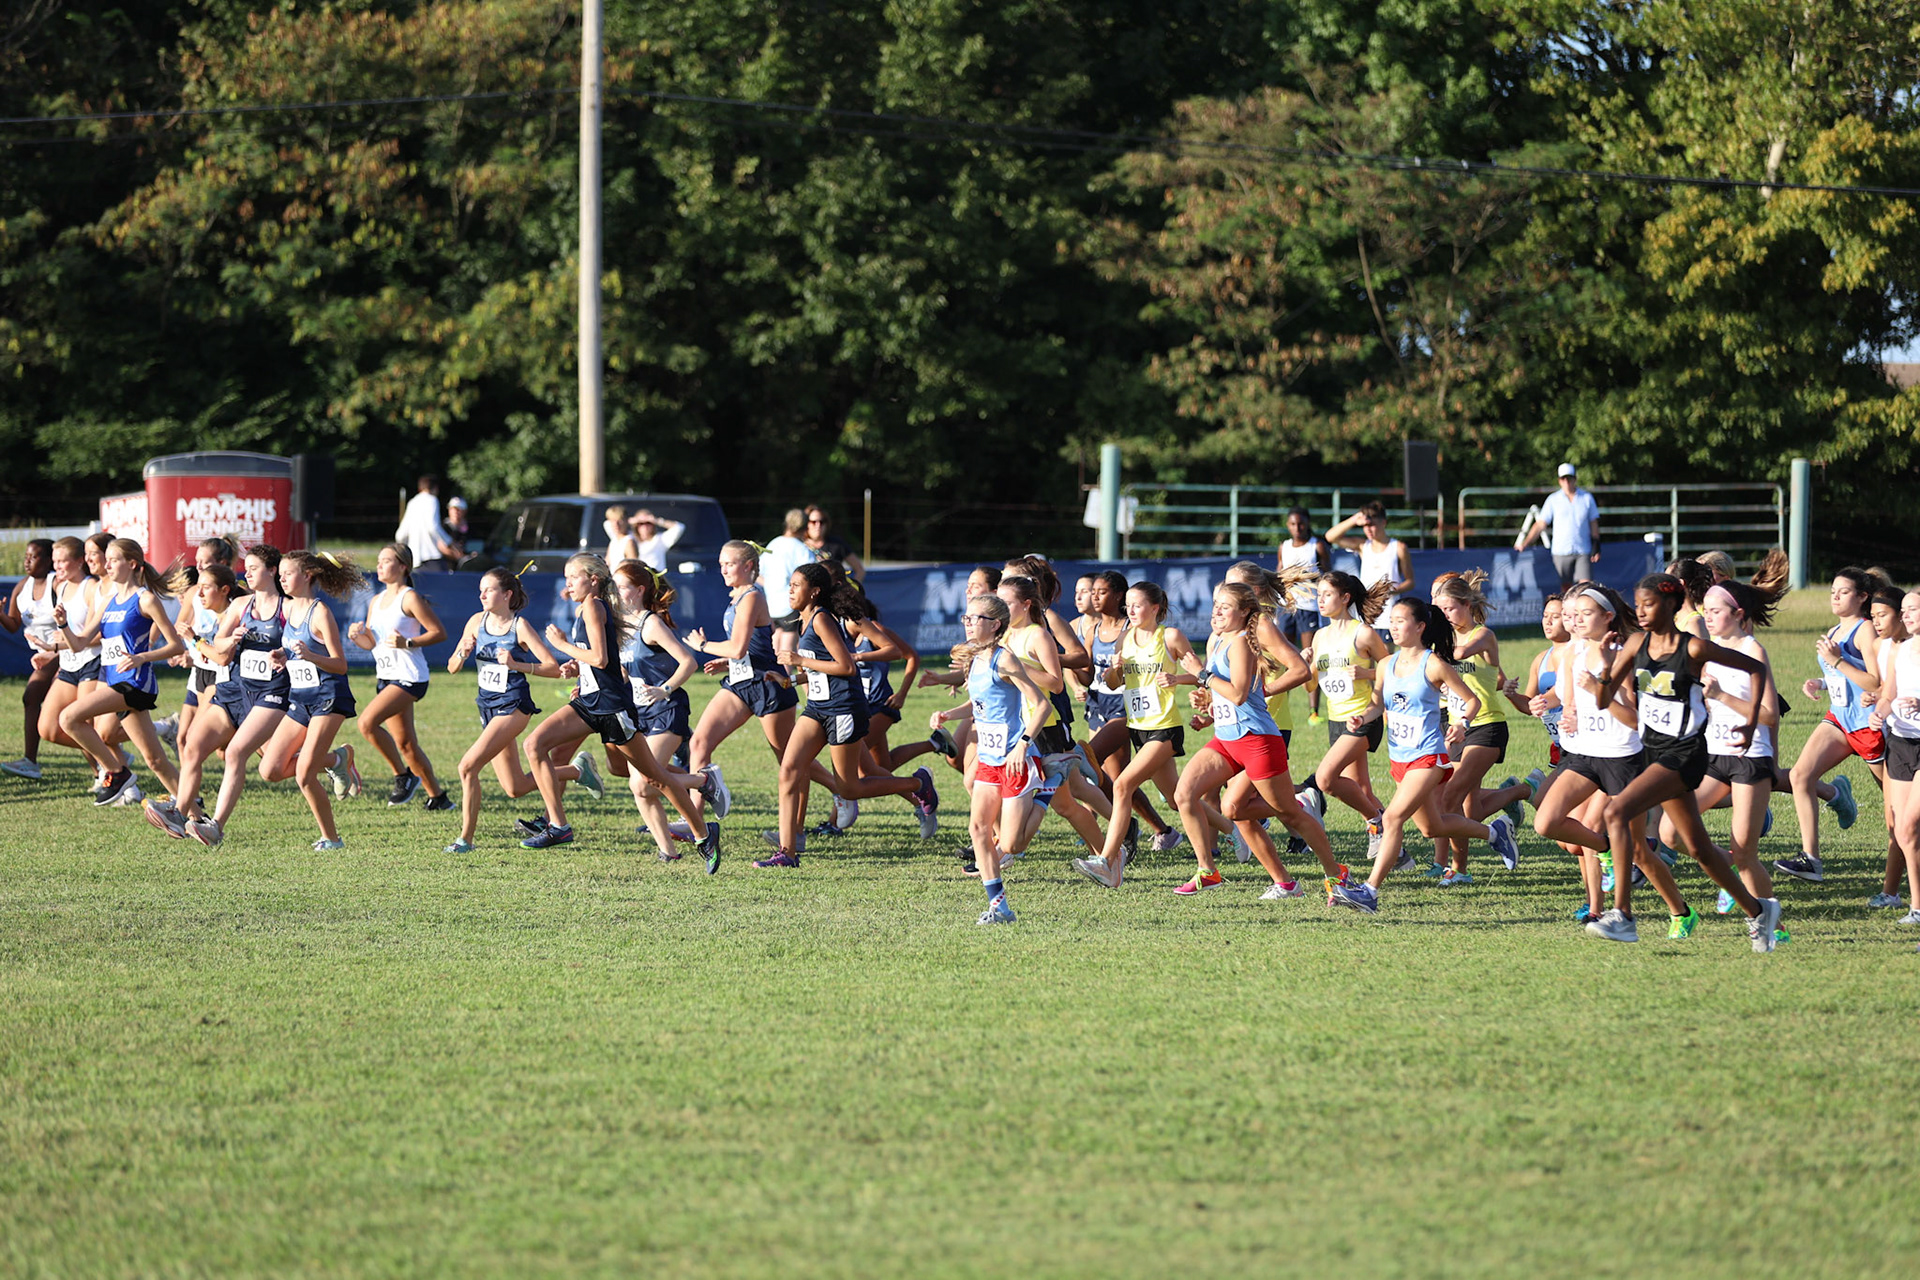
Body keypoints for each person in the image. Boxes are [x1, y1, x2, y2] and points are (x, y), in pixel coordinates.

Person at [1577, 573, 1783, 949]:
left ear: (1671, 605)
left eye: (1649, 604)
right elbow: (1606, 701)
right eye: (1637, 604)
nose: (1640, 611)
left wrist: (1752, 722)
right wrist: (1606, 667)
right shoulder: (1636, 643)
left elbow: (1754, 670)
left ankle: (1622, 915)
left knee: (1615, 813)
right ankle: (1758, 912)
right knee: (1701, 850)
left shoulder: (1692, 649)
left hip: (1685, 755)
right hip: (1652, 752)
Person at [518, 553, 718, 861]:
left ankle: (704, 834)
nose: (568, 583)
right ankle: (559, 826)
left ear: (593, 580)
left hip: (611, 708)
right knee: (534, 745)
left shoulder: (595, 606)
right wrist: (578, 669)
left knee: (653, 778)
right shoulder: (590, 607)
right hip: (589, 701)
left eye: (574, 577)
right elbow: (602, 662)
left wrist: (562, 647)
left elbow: (600, 659)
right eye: (567, 577)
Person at [1328, 597, 1520, 914]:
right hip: (1400, 759)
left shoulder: (1434, 664)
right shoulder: (1387, 664)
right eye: (1392, 620)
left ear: (1420, 627)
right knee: (1432, 827)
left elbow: (1470, 701)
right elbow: (1377, 703)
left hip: (1428, 757)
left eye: (1401, 620)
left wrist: (1461, 724)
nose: (1393, 625)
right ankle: (1494, 832)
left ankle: (1369, 892)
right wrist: (1363, 718)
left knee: (1391, 818)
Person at [1167, 579, 1347, 899]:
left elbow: (1238, 693)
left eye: (1225, 607)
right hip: (1226, 738)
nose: (1217, 612)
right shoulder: (1221, 640)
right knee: (1190, 796)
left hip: (1257, 740)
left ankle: (1336, 874)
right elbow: (1231, 695)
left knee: (1288, 812)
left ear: (1244, 612)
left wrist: (1203, 675)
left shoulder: (1240, 642)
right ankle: (1211, 872)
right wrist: (1208, 707)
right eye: (1215, 605)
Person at [758, 563, 938, 867]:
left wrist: (799, 659)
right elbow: (821, 670)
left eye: (796, 585)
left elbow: (847, 667)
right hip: (817, 707)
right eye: (789, 584)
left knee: (849, 788)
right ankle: (787, 852)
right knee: (788, 771)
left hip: (844, 708)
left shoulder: (821, 620)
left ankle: (917, 784)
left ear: (814, 591)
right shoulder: (803, 621)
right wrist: (789, 679)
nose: (790, 590)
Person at [145, 545, 294, 847]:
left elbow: (221, 656)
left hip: (266, 694)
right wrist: (225, 640)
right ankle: (179, 811)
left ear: (272, 571)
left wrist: (285, 653)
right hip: (229, 693)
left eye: (254, 567)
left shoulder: (286, 607)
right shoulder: (241, 606)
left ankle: (215, 826)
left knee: (265, 764)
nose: (248, 572)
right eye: (246, 568)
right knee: (191, 747)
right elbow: (221, 645)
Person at [442, 567, 572, 855]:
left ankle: (465, 840)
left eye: (488, 589)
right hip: (487, 708)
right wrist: (462, 652)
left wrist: (517, 665)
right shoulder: (476, 622)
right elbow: (451, 668)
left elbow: (553, 668)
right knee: (514, 787)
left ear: (506, 594)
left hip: (513, 706)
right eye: (480, 590)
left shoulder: (520, 627)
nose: (482, 595)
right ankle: (576, 771)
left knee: (467, 767)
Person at [54, 538, 187, 806]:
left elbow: (176, 646)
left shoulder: (145, 599)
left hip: (135, 683)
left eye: (113, 559)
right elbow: (79, 644)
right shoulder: (109, 602)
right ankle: (193, 807)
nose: (107, 564)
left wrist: (141, 657)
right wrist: (64, 625)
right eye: (107, 559)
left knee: (69, 718)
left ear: (132, 563)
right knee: (155, 759)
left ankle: (116, 772)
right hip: (116, 680)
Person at [253, 551, 366, 850]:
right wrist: (284, 656)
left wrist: (310, 656)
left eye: (288, 574)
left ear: (307, 576)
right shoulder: (289, 609)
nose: (282, 579)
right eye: (281, 576)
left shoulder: (320, 613)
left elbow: (340, 664)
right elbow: (295, 650)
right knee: (271, 770)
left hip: (329, 697)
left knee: (304, 775)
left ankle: (332, 839)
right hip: (301, 698)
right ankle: (337, 759)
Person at [1780, 567, 1883, 884]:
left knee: (1898, 810)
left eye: (1844, 592)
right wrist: (1821, 683)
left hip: (1871, 725)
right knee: (1800, 775)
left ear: (1862, 596)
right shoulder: (1833, 632)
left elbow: (1876, 681)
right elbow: (1843, 678)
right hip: (1840, 719)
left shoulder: (1865, 631)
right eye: (1832, 591)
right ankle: (1811, 860)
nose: (1835, 596)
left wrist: (1838, 661)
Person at [349, 544, 453, 809]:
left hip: (409, 676)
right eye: (379, 560)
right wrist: (357, 636)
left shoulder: (409, 598)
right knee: (406, 744)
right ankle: (438, 798)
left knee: (367, 724)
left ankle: (403, 776)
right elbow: (372, 642)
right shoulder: (376, 600)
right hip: (386, 676)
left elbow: (438, 632)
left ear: (403, 567)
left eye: (386, 561)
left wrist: (407, 642)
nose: (380, 565)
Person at [1, 539, 59, 780]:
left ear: (48, 561)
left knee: (61, 712)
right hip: (44, 656)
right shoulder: (22, 586)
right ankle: (30, 761)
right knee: (33, 699)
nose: (27, 561)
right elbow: (13, 625)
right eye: (26, 556)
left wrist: (57, 649)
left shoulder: (57, 584)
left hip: (66, 653)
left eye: (34, 557)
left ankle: (109, 765)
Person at [1277, 508, 1331, 723]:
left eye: (1300, 524)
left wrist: (1308, 577)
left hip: (1309, 607)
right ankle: (1280, 703)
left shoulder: (1316, 545)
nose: (1297, 528)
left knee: (1310, 655)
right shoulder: (1284, 546)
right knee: (1283, 656)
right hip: (1287, 607)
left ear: (1307, 523)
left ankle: (1313, 711)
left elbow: (1327, 575)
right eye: (1292, 524)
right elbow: (1279, 572)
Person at [1327, 501, 1412, 630]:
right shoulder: (1363, 546)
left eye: (1372, 525)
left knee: (1385, 650)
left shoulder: (1398, 548)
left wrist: (1389, 590)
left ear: (1383, 522)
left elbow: (1410, 581)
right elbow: (1330, 537)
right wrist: (1355, 519)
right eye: (1365, 525)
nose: (1368, 529)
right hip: (1365, 611)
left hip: (1387, 611)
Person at [1518, 463, 1601, 590]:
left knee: (1585, 587)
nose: (1567, 482)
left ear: (1575, 479)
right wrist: (1526, 543)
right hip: (1561, 550)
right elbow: (1541, 524)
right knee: (1566, 588)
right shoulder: (1553, 500)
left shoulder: (1586, 498)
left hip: (1582, 549)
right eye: (1563, 479)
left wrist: (1596, 544)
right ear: (1559, 481)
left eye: (1569, 478)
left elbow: (1593, 522)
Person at [761, 511, 816, 634]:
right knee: (788, 648)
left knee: (775, 645)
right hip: (792, 605)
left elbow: (758, 574)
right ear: (805, 527)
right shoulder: (802, 550)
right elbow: (812, 576)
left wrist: (772, 586)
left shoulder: (773, 544)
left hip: (772, 606)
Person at [395, 475, 458, 572]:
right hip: (432, 557)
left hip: (415, 560)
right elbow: (433, 527)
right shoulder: (432, 500)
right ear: (436, 488)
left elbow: (400, 534)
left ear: (420, 488)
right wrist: (449, 542)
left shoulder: (412, 503)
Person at [805, 505, 864, 581]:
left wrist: (850, 589)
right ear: (806, 524)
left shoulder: (837, 544)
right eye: (813, 522)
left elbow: (860, 570)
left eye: (821, 522)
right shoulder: (799, 545)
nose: (818, 525)